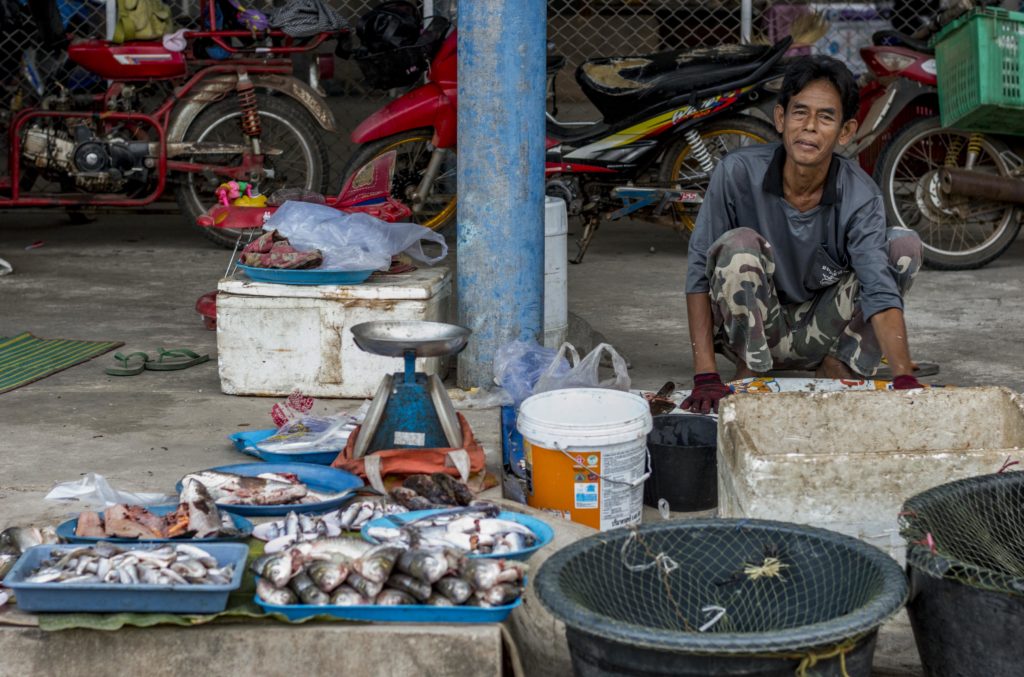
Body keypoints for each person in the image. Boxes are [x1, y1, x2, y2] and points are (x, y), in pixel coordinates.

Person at [681, 55, 924, 414]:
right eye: (799, 112)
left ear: (845, 132)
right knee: (738, 246)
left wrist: (904, 378)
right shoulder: (736, 173)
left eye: (826, 116)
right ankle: (752, 367)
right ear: (780, 119)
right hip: (755, 330)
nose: (809, 126)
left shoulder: (861, 194)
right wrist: (705, 374)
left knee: (903, 246)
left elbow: (878, 286)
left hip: (818, 330)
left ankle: (840, 363)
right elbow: (699, 272)